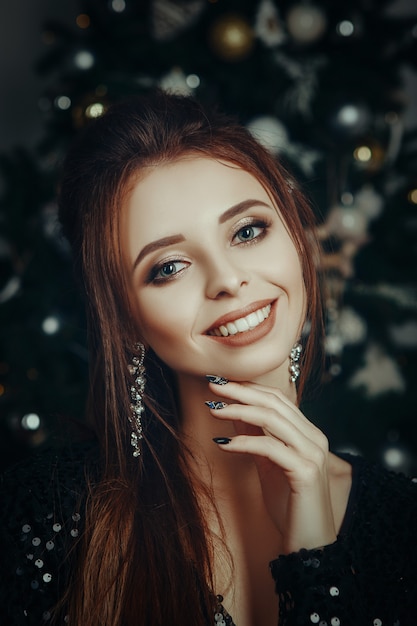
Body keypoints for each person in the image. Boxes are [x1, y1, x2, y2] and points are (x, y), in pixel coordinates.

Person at [1, 90, 416, 626]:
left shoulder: (403, 522)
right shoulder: (46, 515)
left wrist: (314, 557)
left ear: (294, 232)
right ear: (125, 317)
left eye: (248, 231)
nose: (226, 281)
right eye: (169, 267)